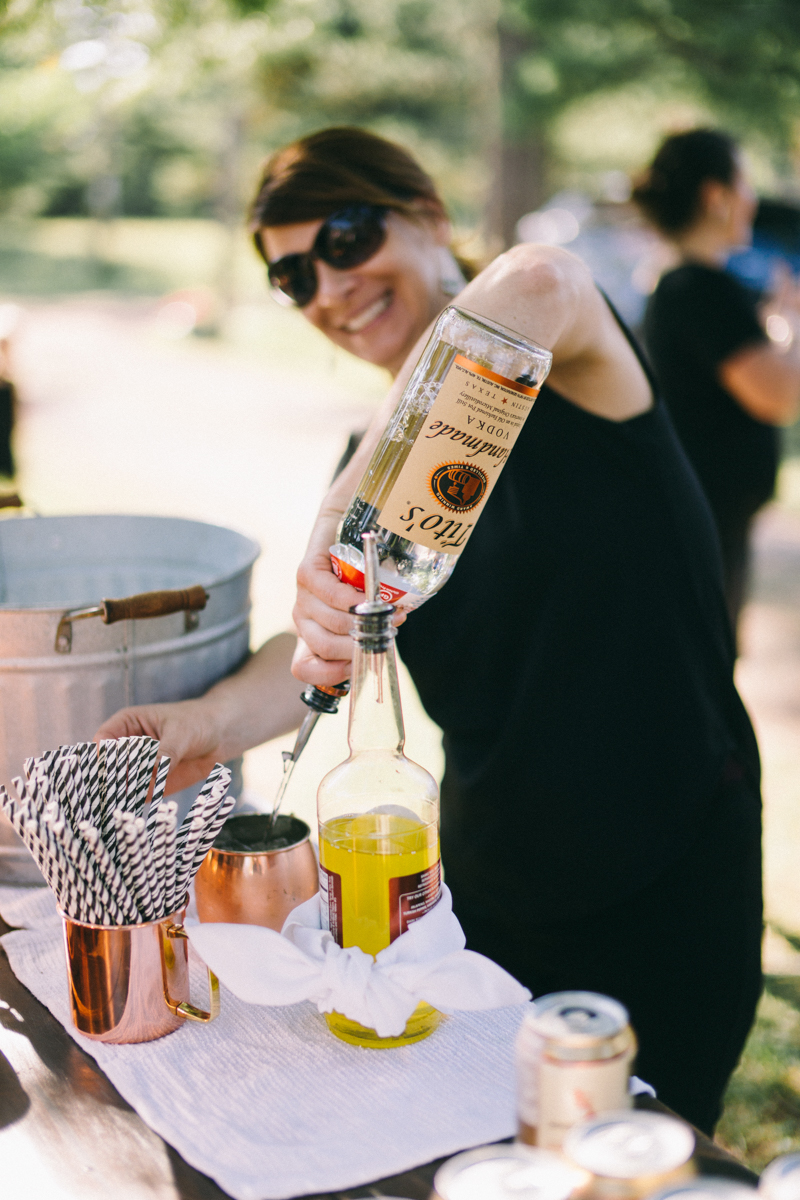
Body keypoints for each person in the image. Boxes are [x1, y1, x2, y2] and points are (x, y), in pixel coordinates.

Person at [98, 127, 762, 1135]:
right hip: (486, 884)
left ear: (430, 220)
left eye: (347, 237)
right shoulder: (368, 456)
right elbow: (335, 640)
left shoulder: (570, 363)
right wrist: (213, 722)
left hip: (662, 873)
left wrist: (345, 510)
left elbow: (538, 279)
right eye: (290, 275)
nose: (325, 284)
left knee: (628, 1163)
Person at [634, 128, 800, 628]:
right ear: (715, 196)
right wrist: (791, 323)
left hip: (706, 507)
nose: (752, 199)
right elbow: (778, 395)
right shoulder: (701, 288)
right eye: (744, 183)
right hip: (707, 509)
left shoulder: (685, 282)